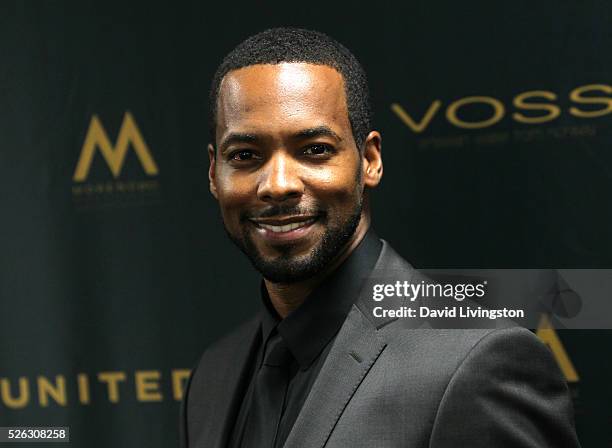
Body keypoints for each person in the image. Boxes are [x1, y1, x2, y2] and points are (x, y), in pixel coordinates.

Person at [180, 27, 580, 448]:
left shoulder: (478, 362)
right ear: (213, 174)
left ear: (369, 160)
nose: (278, 184)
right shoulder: (213, 375)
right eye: (245, 156)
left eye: (314, 149)